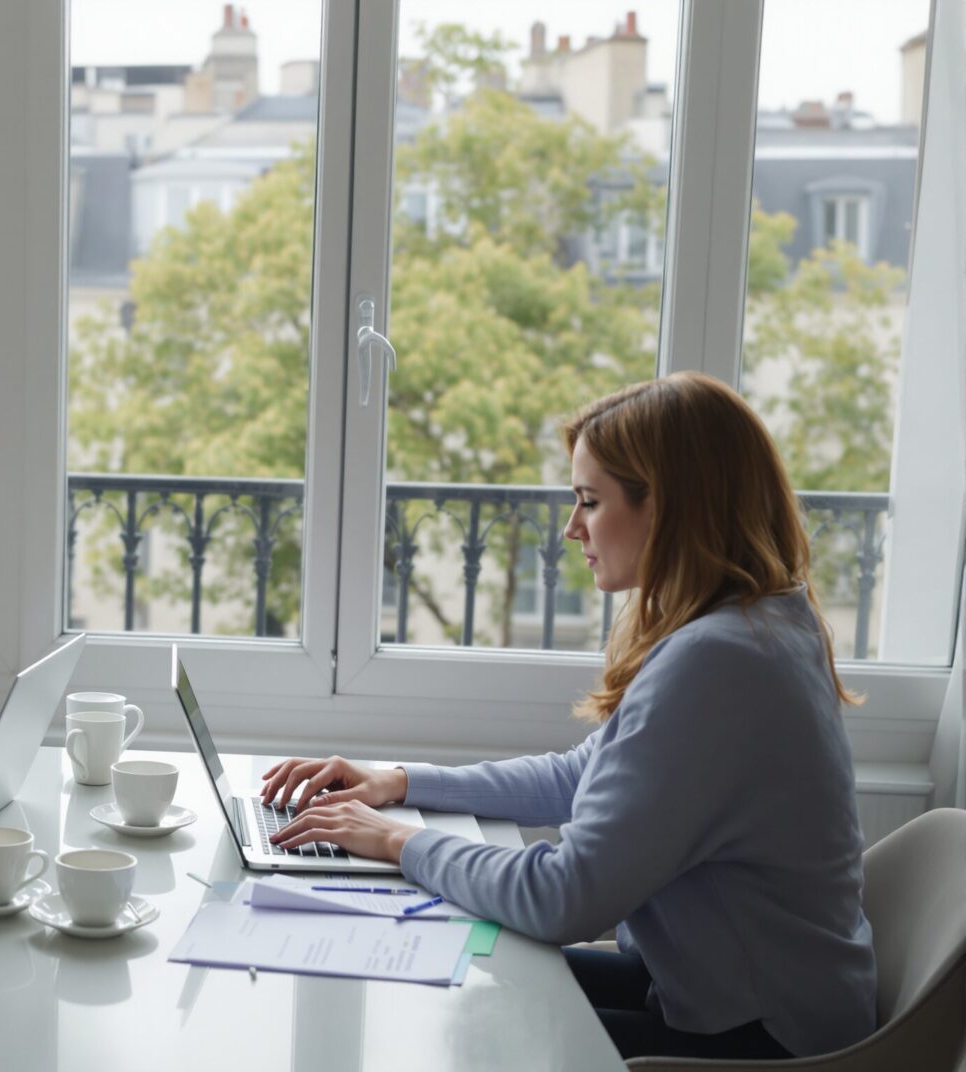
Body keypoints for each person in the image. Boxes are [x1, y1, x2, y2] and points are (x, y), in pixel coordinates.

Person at [259, 372, 876, 1061]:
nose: (571, 526)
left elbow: (563, 900)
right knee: (450, 971)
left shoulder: (721, 661)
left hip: (762, 1038)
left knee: (452, 1021)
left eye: (590, 500)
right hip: (715, 992)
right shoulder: (754, 624)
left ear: (670, 507)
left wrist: (398, 843)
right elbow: (584, 775)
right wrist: (400, 784)